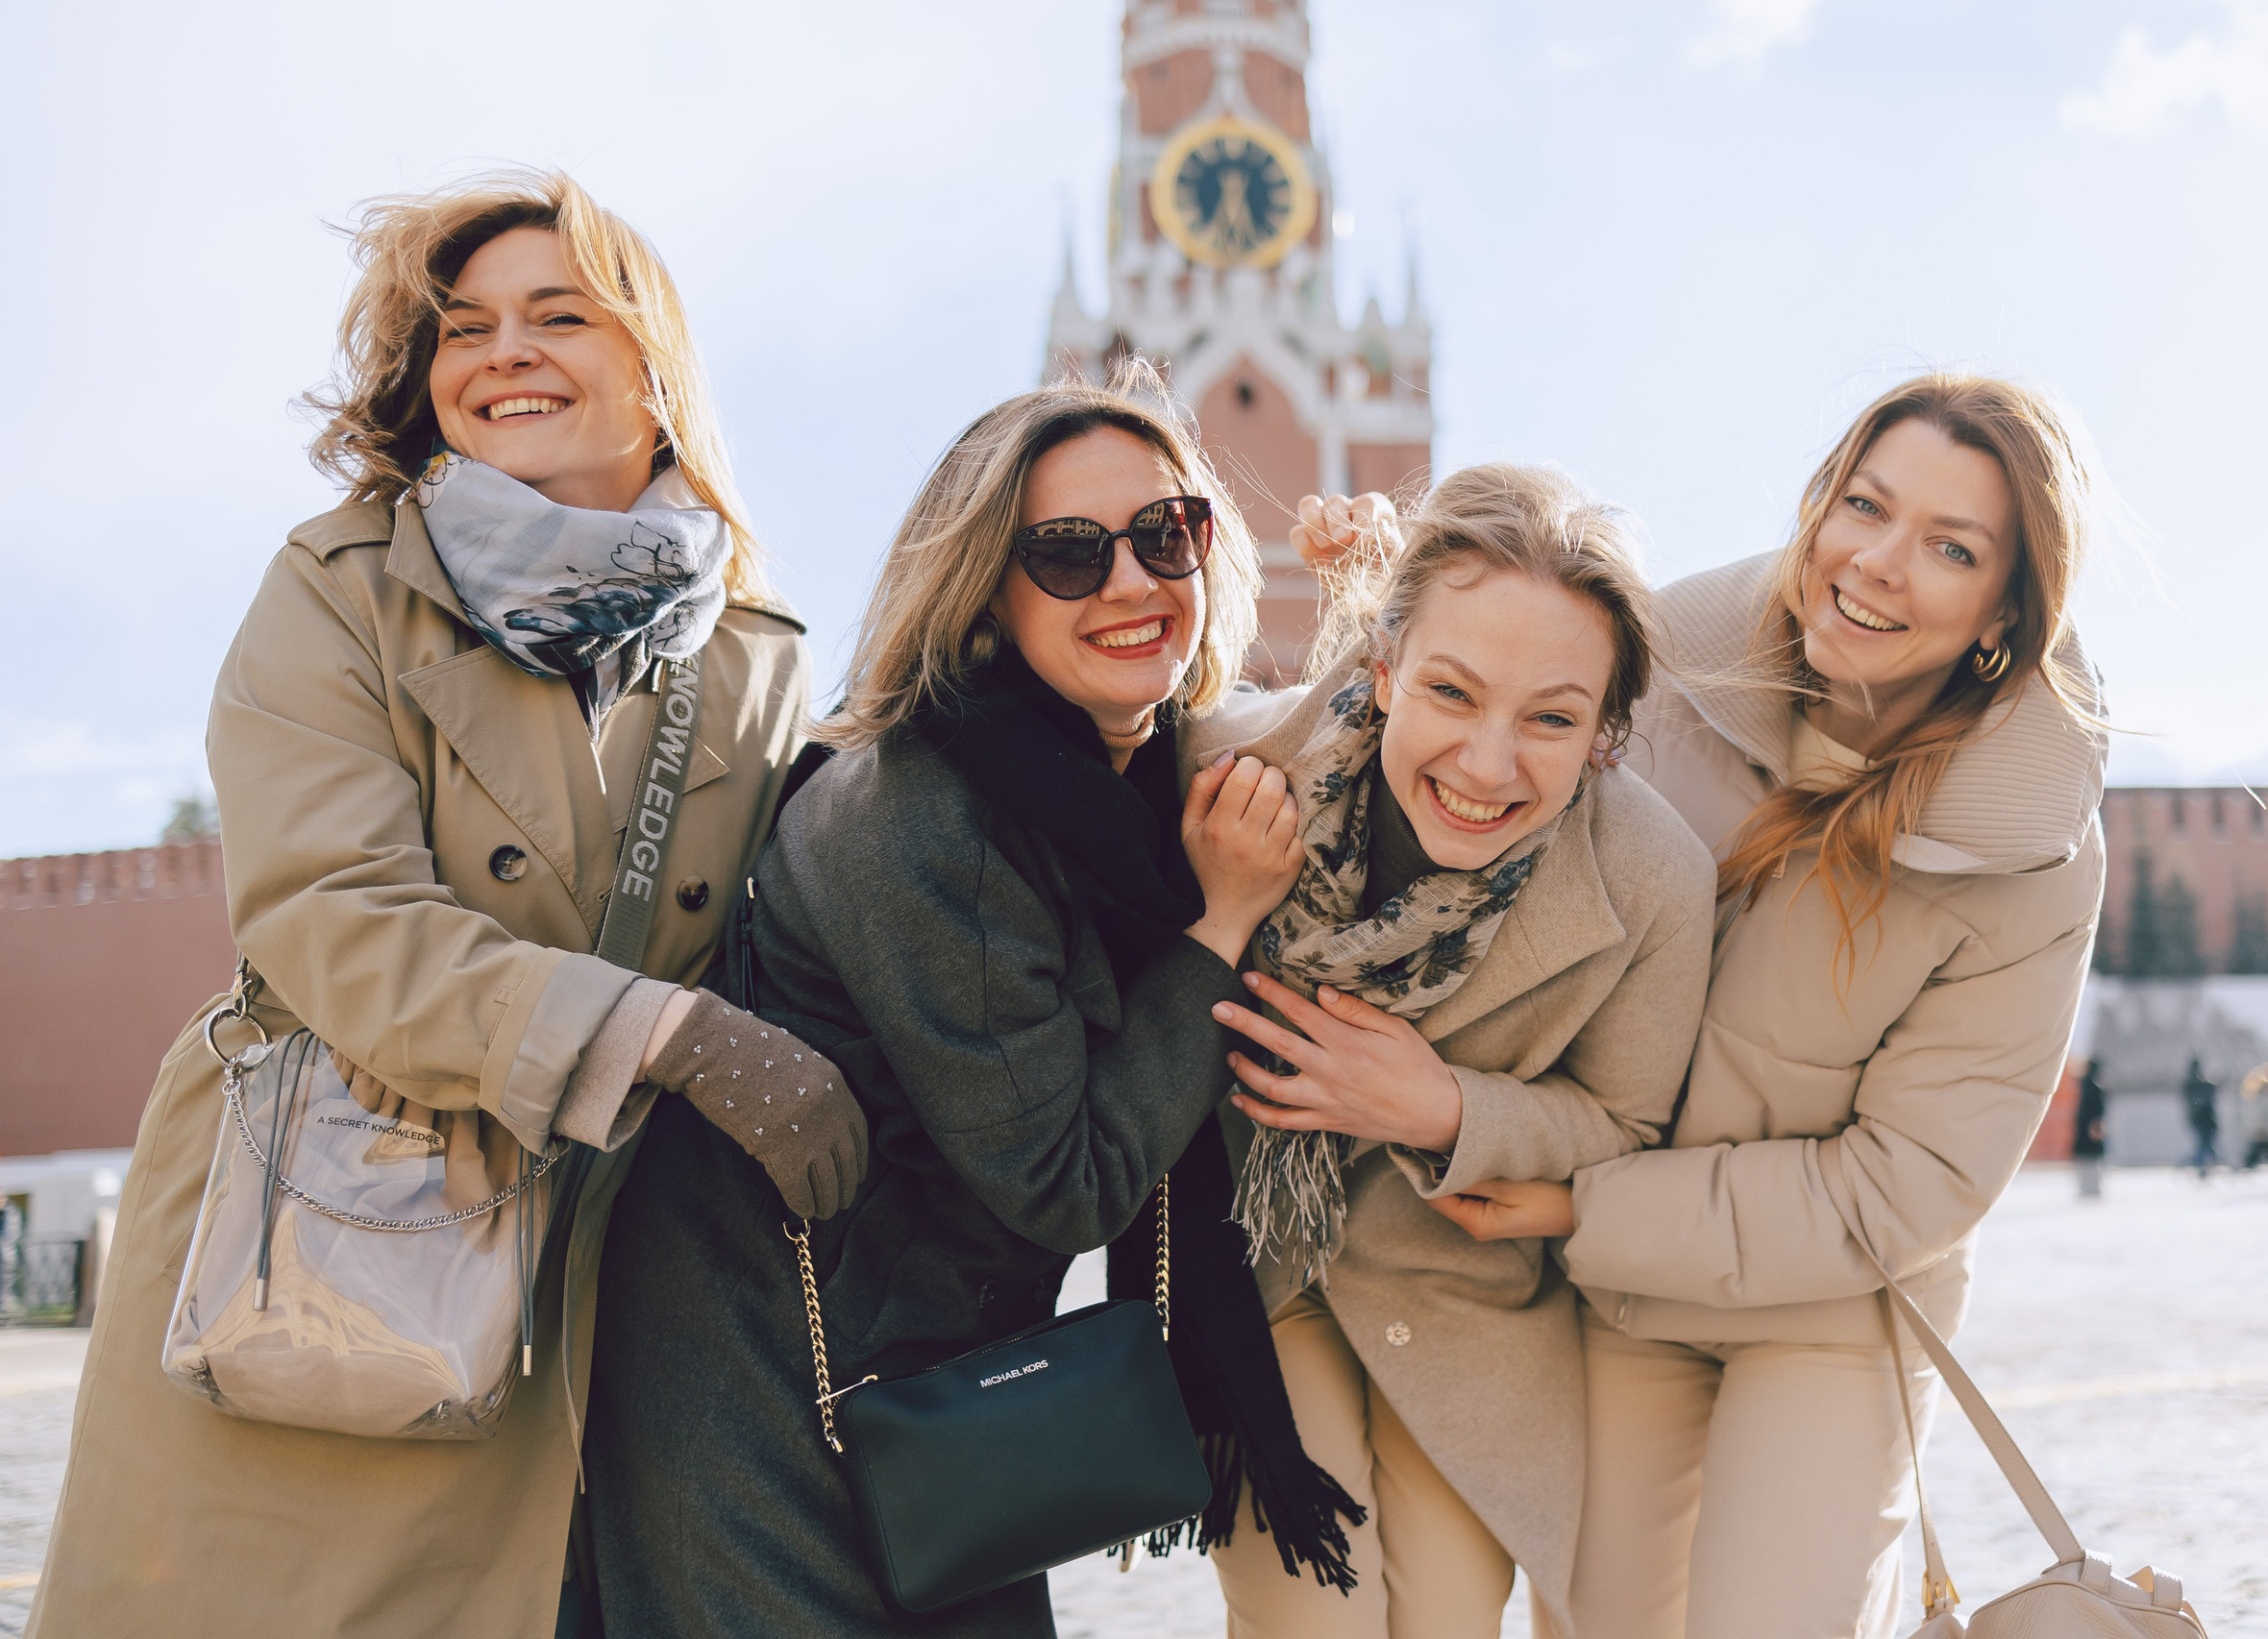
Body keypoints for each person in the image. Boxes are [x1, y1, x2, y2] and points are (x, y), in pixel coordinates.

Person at [31, 171, 864, 1639]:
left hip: (593, 1308)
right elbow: (336, 918)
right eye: (464, 328)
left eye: (560, 314)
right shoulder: (341, 589)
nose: (504, 352)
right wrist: (672, 1035)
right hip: (325, 1246)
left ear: (655, 369)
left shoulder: (752, 655)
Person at [582, 371, 1326, 1637]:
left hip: (913, 1395)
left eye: (1168, 533)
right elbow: (1066, 1179)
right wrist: (1222, 924)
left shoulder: (1079, 785)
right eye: (1069, 555)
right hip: (772, 1412)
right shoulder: (939, 816)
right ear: (986, 590)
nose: (1135, 582)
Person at [1415, 374, 2110, 1637]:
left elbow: (1909, 1182)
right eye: (1866, 505)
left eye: (1950, 548)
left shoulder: (2029, 843)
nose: (1880, 564)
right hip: (1623, 1295)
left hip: (1840, 1307)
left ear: (2003, 614)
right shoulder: (1664, 664)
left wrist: (1585, 1202)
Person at [1195, 466, 1715, 1638]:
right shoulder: (1231, 768)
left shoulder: (1654, 881)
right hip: (1251, 1267)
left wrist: (1445, 1109)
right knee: (1309, 1620)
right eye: (1451, 691)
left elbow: (1627, 1123)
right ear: (1381, 670)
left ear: (1605, 736)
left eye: (1550, 717)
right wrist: (1221, 911)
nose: (1487, 765)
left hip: (1461, 1301)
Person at [2075, 1057, 2110, 1197]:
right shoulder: (2092, 1086)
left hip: (2089, 1130)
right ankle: (2091, 1186)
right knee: (2091, 1158)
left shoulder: (2089, 1087)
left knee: (2089, 1158)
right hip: (2090, 1130)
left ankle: (2090, 1186)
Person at [2182, 1054, 2220, 1177]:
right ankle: (2202, 1167)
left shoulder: (2192, 1085)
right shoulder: (2195, 1085)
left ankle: (2204, 1166)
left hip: (2202, 1119)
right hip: (2203, 1119)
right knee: (2204, 1145)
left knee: (2204, 1145)